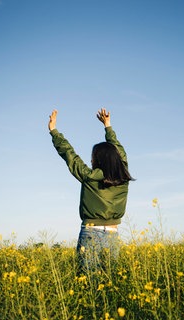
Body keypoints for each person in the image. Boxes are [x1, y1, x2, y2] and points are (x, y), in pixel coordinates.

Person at [48, 108, 134, 272]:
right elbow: (121, 153)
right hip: (112, 234)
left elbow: (69, 154)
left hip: (90, 233)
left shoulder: (88, 176)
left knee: (87, 283)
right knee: (111, 283)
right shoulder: (123, 177)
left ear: (98, 160)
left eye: (93, 157)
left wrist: (54, 132)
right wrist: (108, 127)